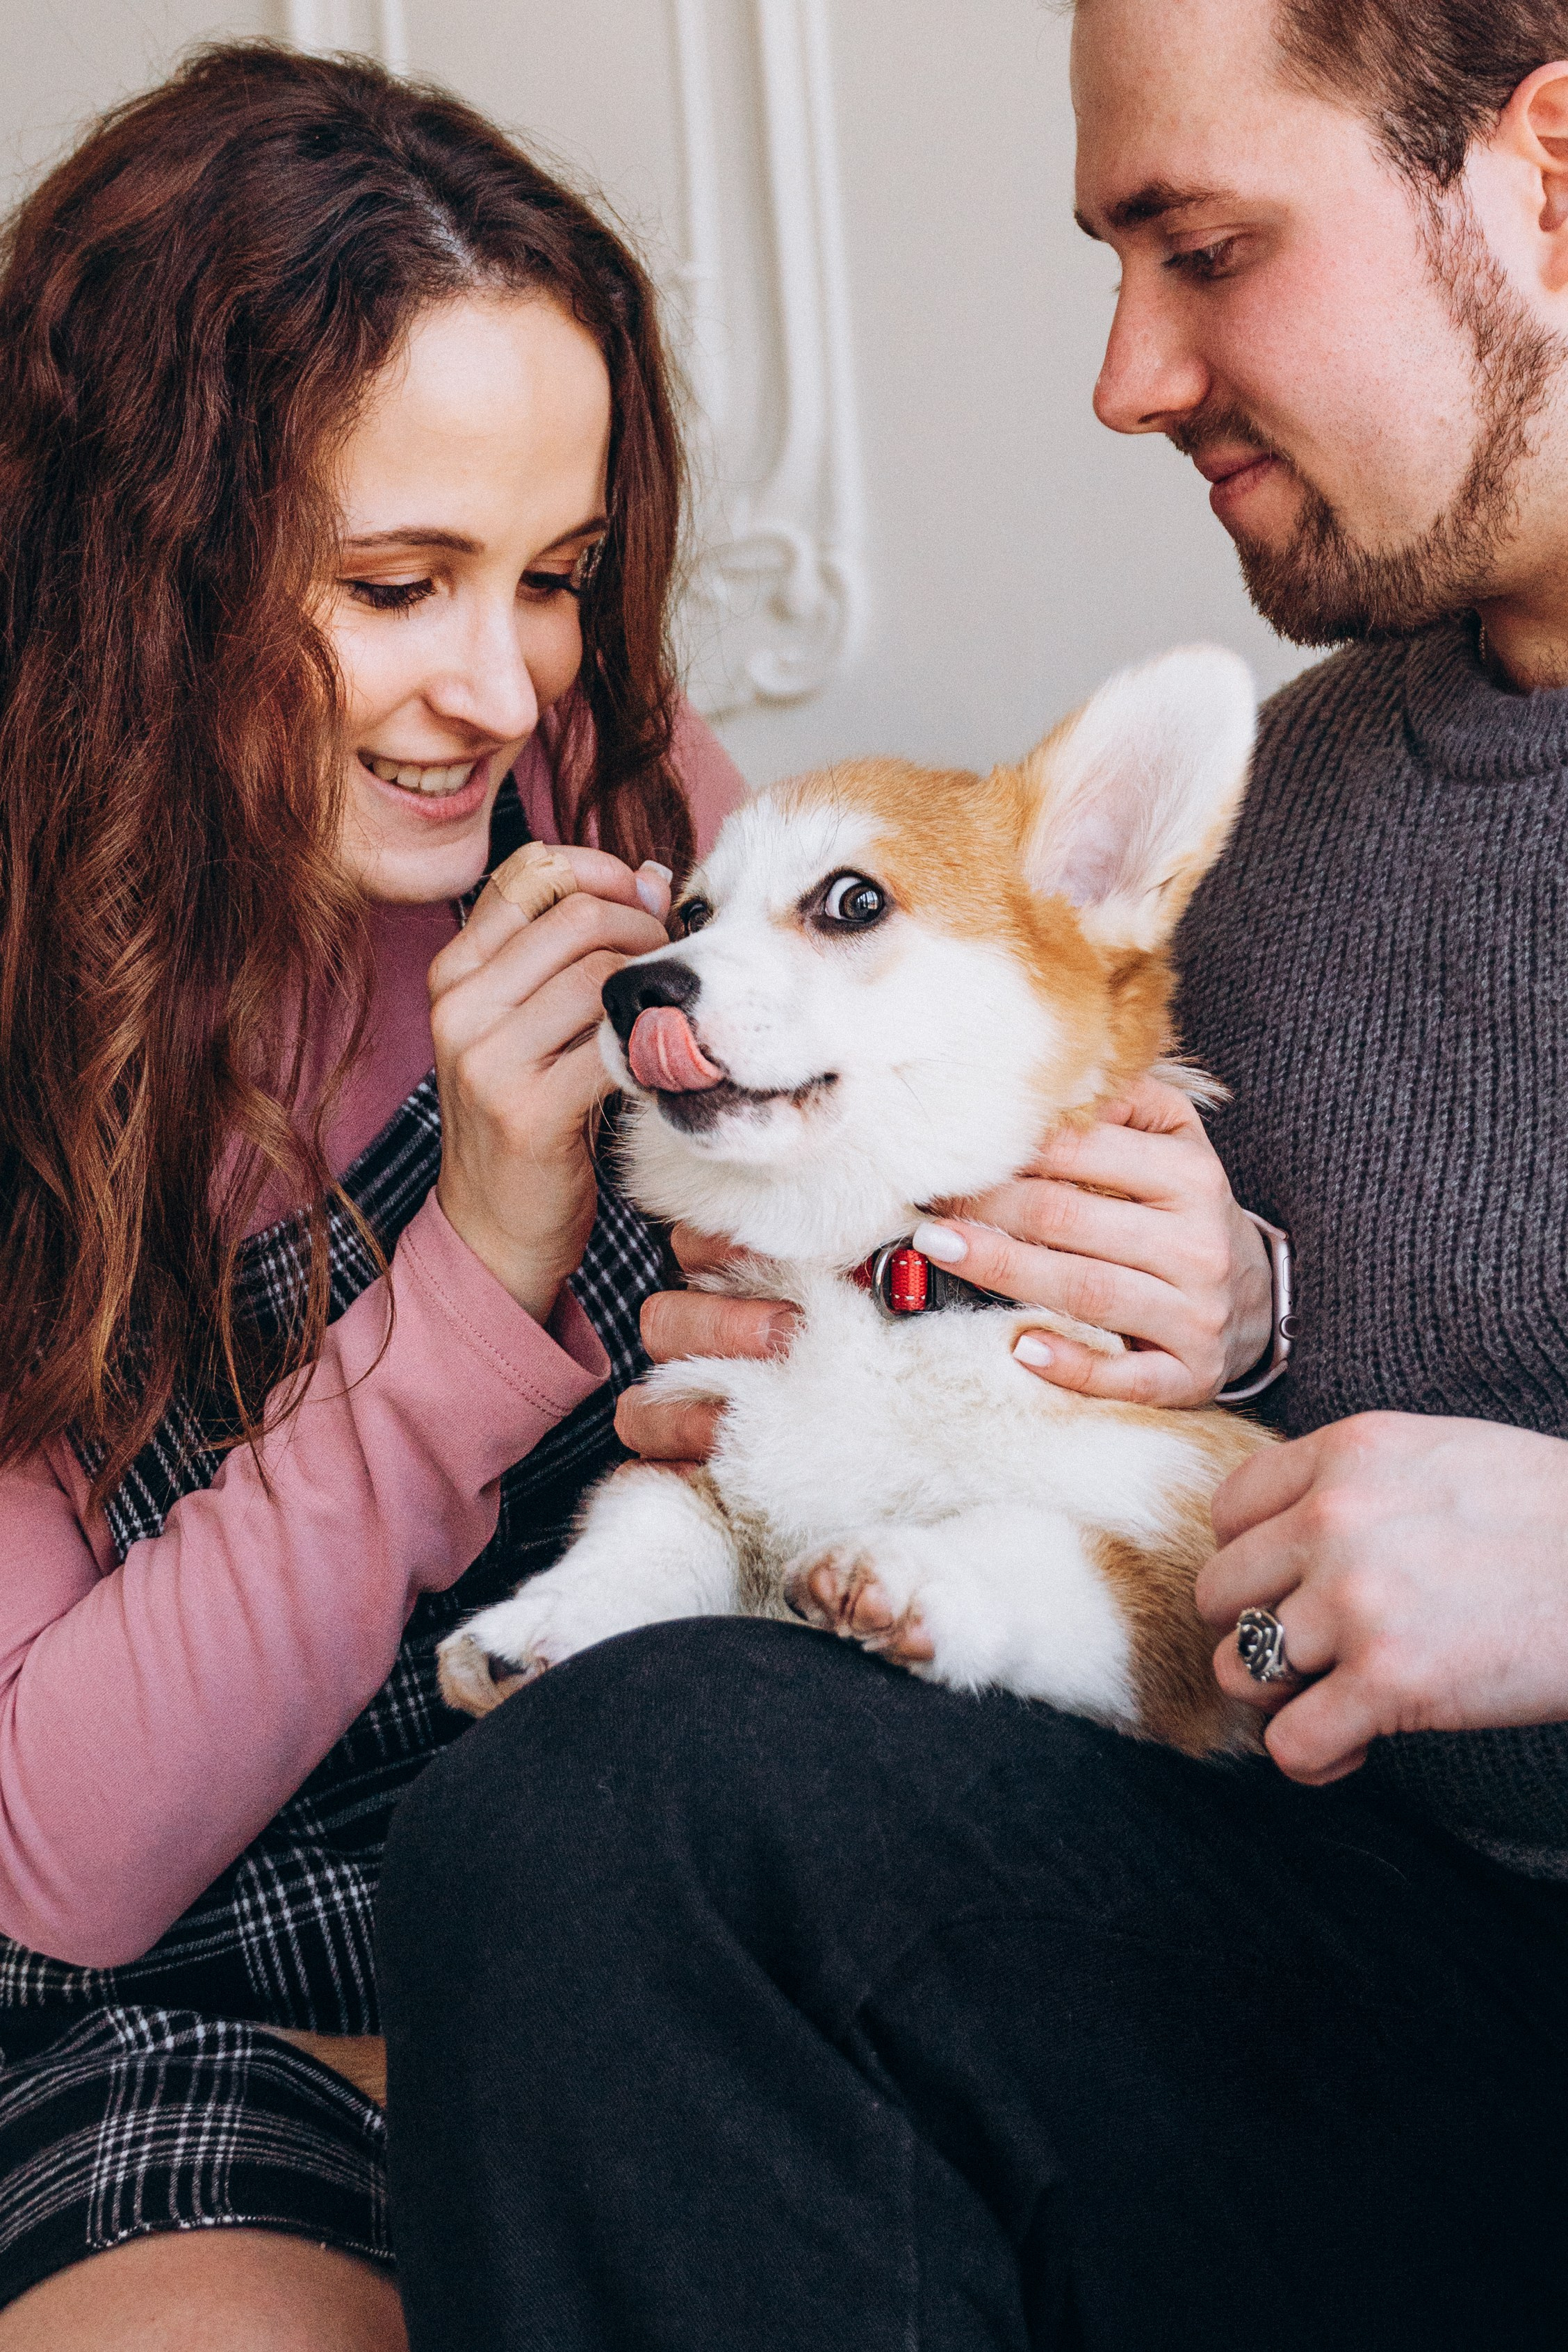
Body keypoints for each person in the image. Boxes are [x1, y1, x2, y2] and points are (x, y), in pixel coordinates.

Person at [377, 1, 1568, 2346]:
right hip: (1371, 1964)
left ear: (1550, 169)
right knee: (607, 1804)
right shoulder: (1266, 822)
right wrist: (859, 1353)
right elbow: (1148, 1360)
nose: (1127, 375)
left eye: (1207, 244)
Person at [0, 42, 755, 2349]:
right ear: (140, 563)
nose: (495, 686)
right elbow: (70, 1854)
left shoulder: (624, 802)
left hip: (635, 1892)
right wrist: (483, 1274)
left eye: (550, 576)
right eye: (396, 582)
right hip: (183, 1987)